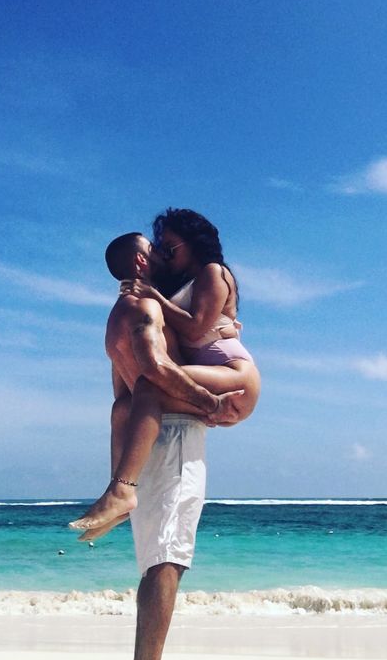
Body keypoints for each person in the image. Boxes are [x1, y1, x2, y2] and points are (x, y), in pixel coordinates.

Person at [79, 231, 245, 660]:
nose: (164, 256)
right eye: (156, 250)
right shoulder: (146, 308)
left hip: (144, 438)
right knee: (169, 557)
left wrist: (120, 471)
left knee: (156, 559)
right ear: (139, 259)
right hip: (171, 435)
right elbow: (153, 367)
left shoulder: (118, 316)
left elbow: (121, 399)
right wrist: (208, 401)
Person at [70, 209, 260, 539]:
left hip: (234, 373)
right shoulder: (174, 285)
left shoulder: (212, 272)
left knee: (149, 384)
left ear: (194, 243)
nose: (164, 254)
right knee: (122, 410)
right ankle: (116, 500)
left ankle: (123, 489)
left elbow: (197, 325)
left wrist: (153, 294)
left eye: (170, 248)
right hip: (205, 373)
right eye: (160, 248)